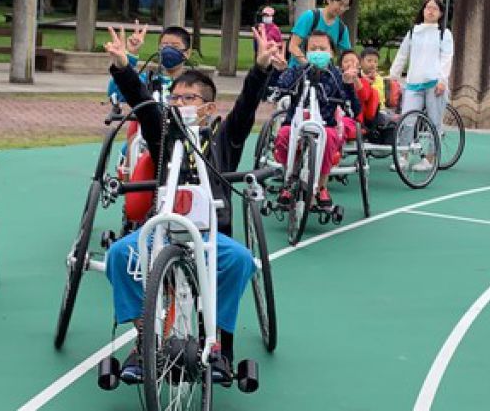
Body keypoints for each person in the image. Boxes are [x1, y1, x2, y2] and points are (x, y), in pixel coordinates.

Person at [103, 24, 285, 386]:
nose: (178, 104)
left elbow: (247, 105)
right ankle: (144, 339)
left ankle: (217, 346)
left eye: (188, 99)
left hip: (208, 236)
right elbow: (142, 100)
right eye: (175, 98)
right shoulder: (164, 135)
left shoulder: (225, 139)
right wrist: (124, 66)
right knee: (119, 255)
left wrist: (261, 69)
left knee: (239, 260)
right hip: (161, 233)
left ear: (209, 108)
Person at [272, 31, 359, 209]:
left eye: (322, 48)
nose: (318, 51)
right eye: (313, 48)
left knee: (328, 137)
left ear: (331, 52)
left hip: (325, 126)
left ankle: (321, 186)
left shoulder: (337, 76)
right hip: (295, 124)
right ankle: (289, 180)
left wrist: (349, 86)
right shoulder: (297, 72)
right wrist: (277, 72)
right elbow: (274, 93)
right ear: (306, 52)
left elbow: (354, 110)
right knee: (283, 135)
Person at [388, 0, 454, 171]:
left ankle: (430, 159)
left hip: (434, 84)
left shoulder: (444, 34)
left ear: (440, 13)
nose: (430, 11)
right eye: (427, 7)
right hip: (413, 83)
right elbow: (403, 54)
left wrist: (442, 80)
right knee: (407, 120)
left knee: (434, 122)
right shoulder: (413, 32)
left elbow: (446, 58)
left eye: (434, 8)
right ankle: (402, 156)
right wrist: (393, 74)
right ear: (423, 10)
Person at [106, 24, 192, 104]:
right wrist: (127, 60)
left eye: (175, 46)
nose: (168, 50)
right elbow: (115, 94)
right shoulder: (146, 80)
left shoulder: (195, 84)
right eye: (164, 46)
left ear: (187, 53)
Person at [287, 0, 353, 67]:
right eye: (340, 4)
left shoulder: (342, 29)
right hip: (298, 72)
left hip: (324, 75)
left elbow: (347, 55)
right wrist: (307, 65)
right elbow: (293, 46)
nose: (342, 9)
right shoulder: (310, 17)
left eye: (346, 6)